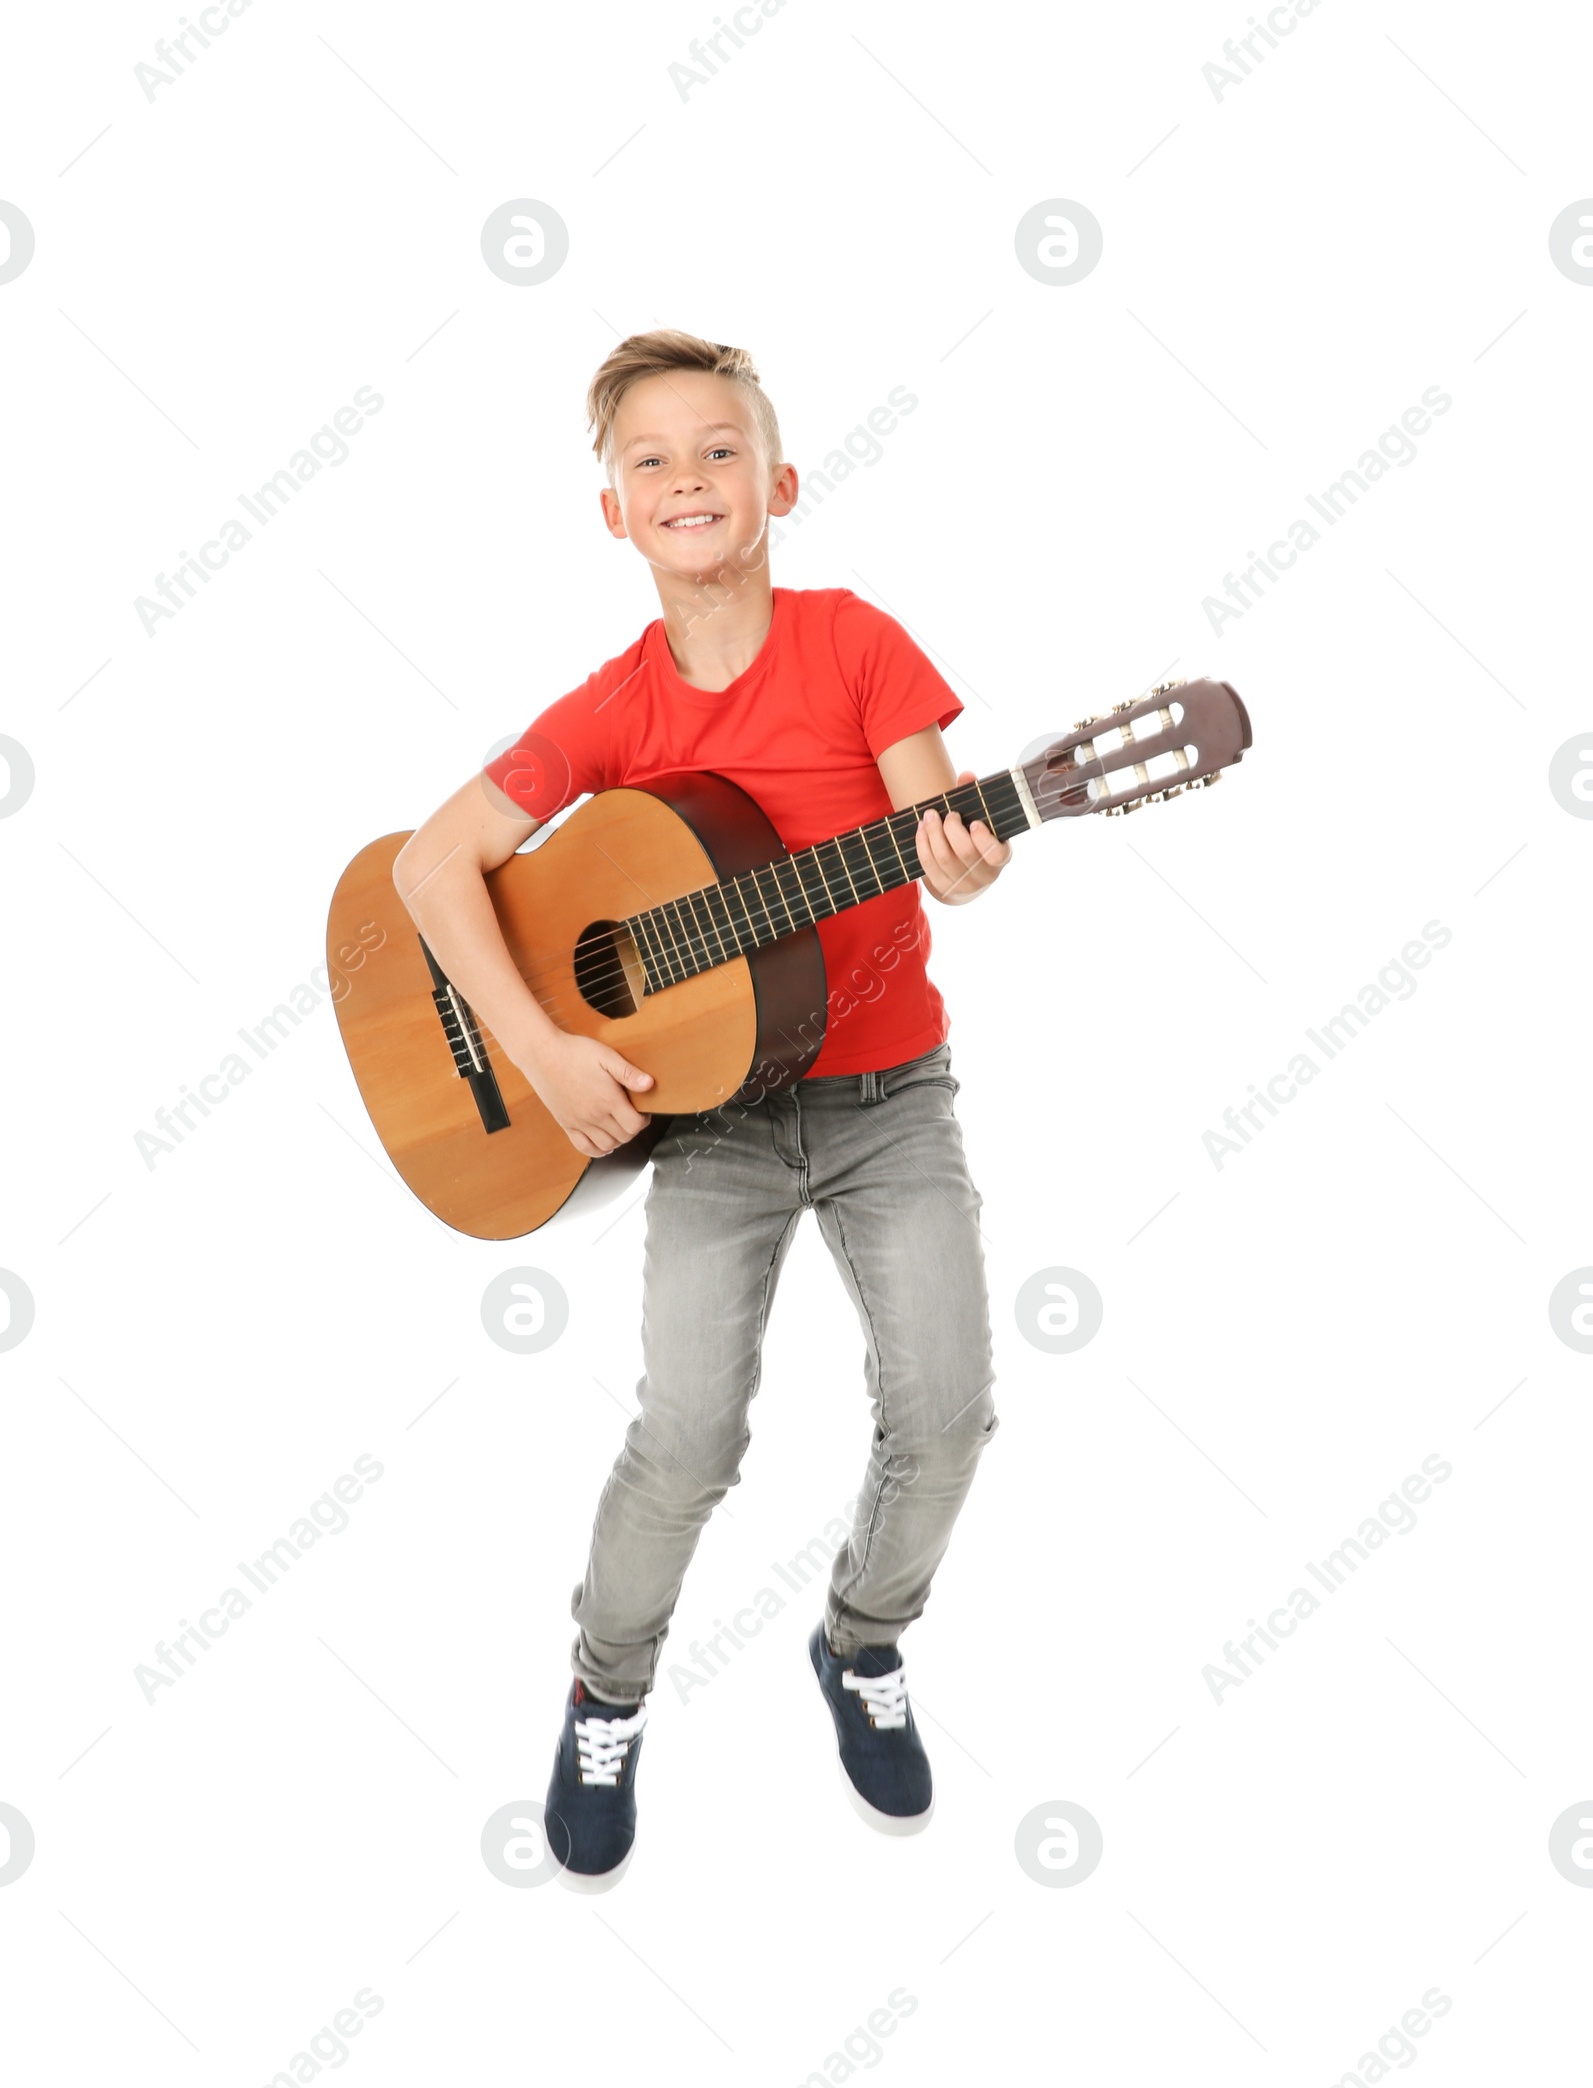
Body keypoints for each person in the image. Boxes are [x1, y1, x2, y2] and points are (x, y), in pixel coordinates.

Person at [391, 329, 1011, 1888]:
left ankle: (861, 1641)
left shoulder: (858, 642)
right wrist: (538, 1047)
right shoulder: (614, 709)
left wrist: (963, 841)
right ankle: (605, 1692)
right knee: (687, 1438)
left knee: (945, 1415)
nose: (689, 479)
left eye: (720, 450)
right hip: (714, 1123)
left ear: (780, 481)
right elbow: (425, 868)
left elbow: (929, 797)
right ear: (614, 512)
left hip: (888, 1097)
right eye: (652, 460)